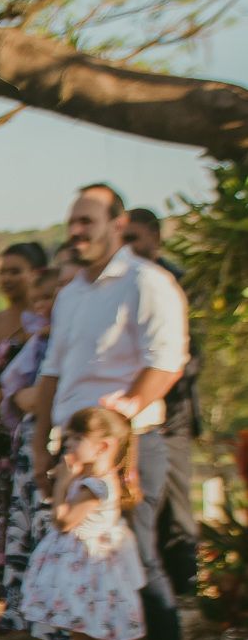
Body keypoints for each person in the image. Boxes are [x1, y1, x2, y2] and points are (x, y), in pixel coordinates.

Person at [30, 184, 189, 640]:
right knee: (87, 563)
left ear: (118, 224)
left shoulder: (148, 283)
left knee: (135, 560)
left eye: (87, 221)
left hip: (131, 446)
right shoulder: (73, 290)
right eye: (72, 221)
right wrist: (42, 445)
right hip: (72, 446)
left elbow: (165, 363)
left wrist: (114, 436)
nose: (76, 231)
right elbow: (53, 371)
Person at [19, 408, 145, 640]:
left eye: (77, 438)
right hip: (101, 574)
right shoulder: (102, 481)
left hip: (86, 576)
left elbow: (63, 520)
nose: (68, 444)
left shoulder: (93, 485)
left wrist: (62, 481)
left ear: (103, 446)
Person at [124, 206, 201, 597]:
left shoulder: (177, 282)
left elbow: (189, 357)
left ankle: (185, 595)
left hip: (171, 417)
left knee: (175, 512)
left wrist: (150, 389)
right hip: (127, 419)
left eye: (134, 239)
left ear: (155, 238)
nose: (128, 248)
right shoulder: (118, 286)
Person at [0, 250, 73, 632]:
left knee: (50, 521)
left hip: (60, 433)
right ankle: (22, 609)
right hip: (32, 435)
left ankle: (50, 615)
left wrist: (31, 398)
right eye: (40, 299)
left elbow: (41, 392)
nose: (44, 305)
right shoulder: (37, 339)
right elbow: (14, 387)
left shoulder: (65, 338)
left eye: (52, 297)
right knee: (26, 521)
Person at [0, 243, 47, 607]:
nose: (7, 278)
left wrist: (4, 391)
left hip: (26, 425)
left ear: (37, 273)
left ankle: (30, 599)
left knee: (23, 509)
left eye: (16, 270)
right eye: (3, 271)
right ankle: (6, 596)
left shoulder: (41, 319)